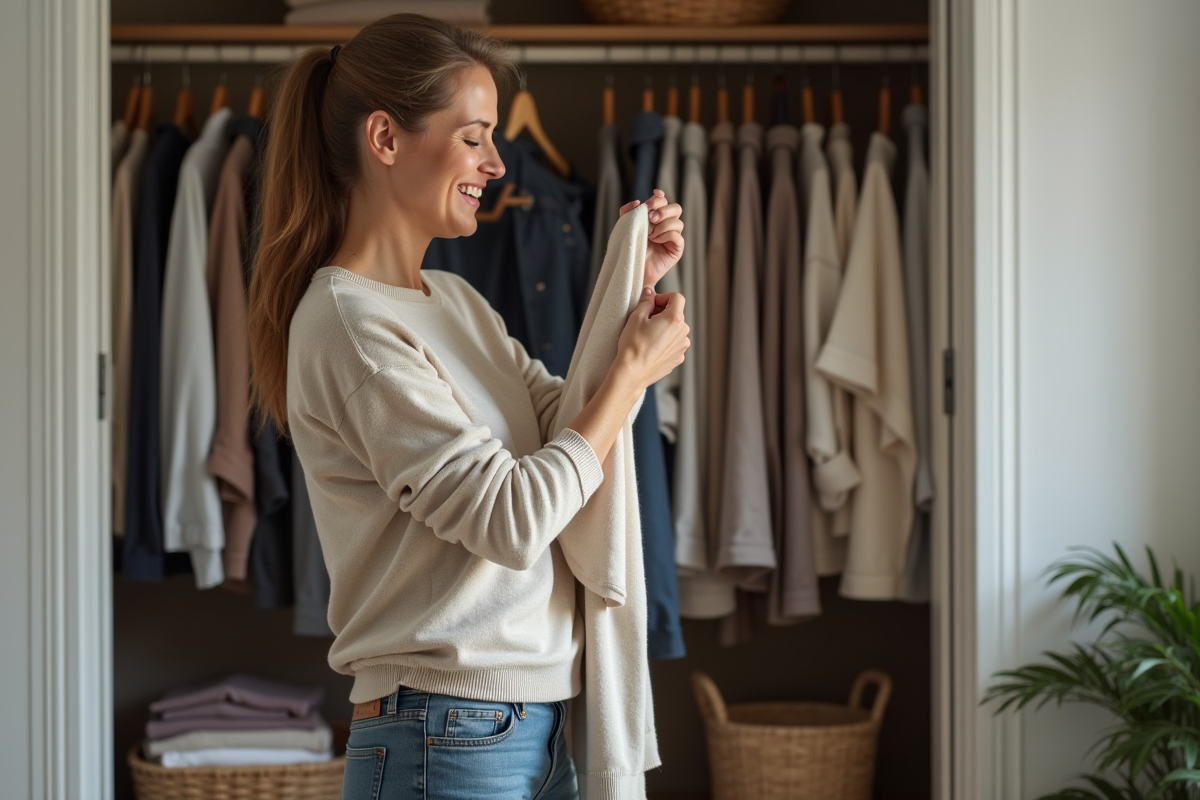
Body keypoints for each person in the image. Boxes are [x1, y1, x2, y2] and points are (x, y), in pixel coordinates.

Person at [246, 14, 689, 800]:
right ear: (385, 138)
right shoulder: (349, 324)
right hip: (444, 733)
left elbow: (564, 428)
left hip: (533, 722)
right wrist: (628, 374)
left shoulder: (453, 300)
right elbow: (512, 519)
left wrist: (631, 296)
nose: (496, 160)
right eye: (474, 136)